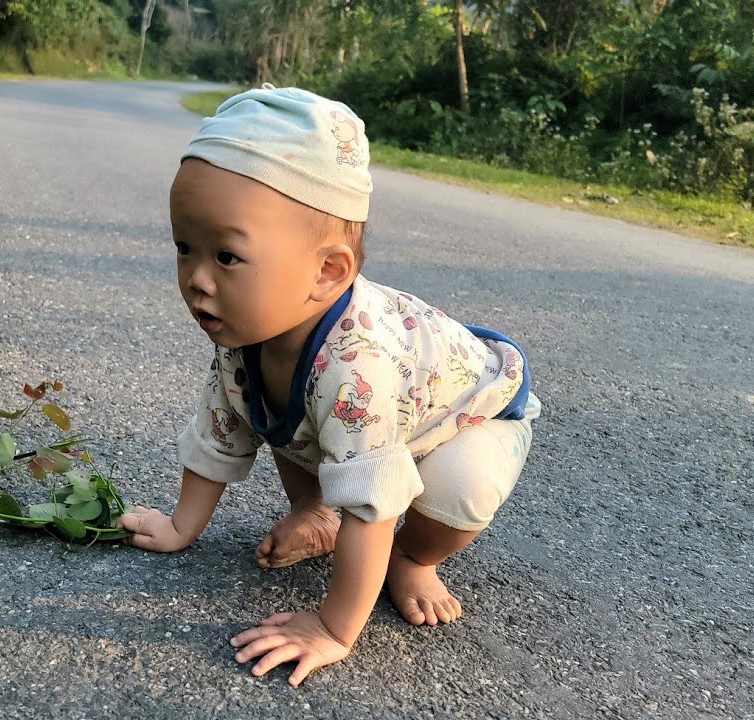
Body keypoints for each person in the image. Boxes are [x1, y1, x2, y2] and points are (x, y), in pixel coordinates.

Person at [119, 84, 541, 686]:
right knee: (287, 412)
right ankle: (317, 512)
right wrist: (182, 525)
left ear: (327, 271)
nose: (197, 279)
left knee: (457, 489)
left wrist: (333, 627)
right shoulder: (247, 328)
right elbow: (224, 428)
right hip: (375, 422)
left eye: (228, 257)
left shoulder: (356, 364)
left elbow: (373, 503)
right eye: (185, 249)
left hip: (468, 417)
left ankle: (415, 559)